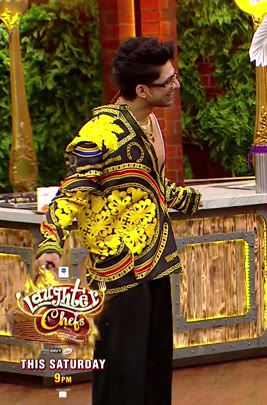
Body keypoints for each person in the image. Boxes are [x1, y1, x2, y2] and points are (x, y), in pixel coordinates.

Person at [33, 36, 202, 405]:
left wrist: (181, 198)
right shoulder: (98, 135)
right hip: (118, 266)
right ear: (142, 89)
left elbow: (146, 180)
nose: (176, 86)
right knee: (122, 369)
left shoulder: (150, 120)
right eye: (168, 81)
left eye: (174, 76)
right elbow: (71, 194)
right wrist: (50, 242)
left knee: (155, 362)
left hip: (155, 258)